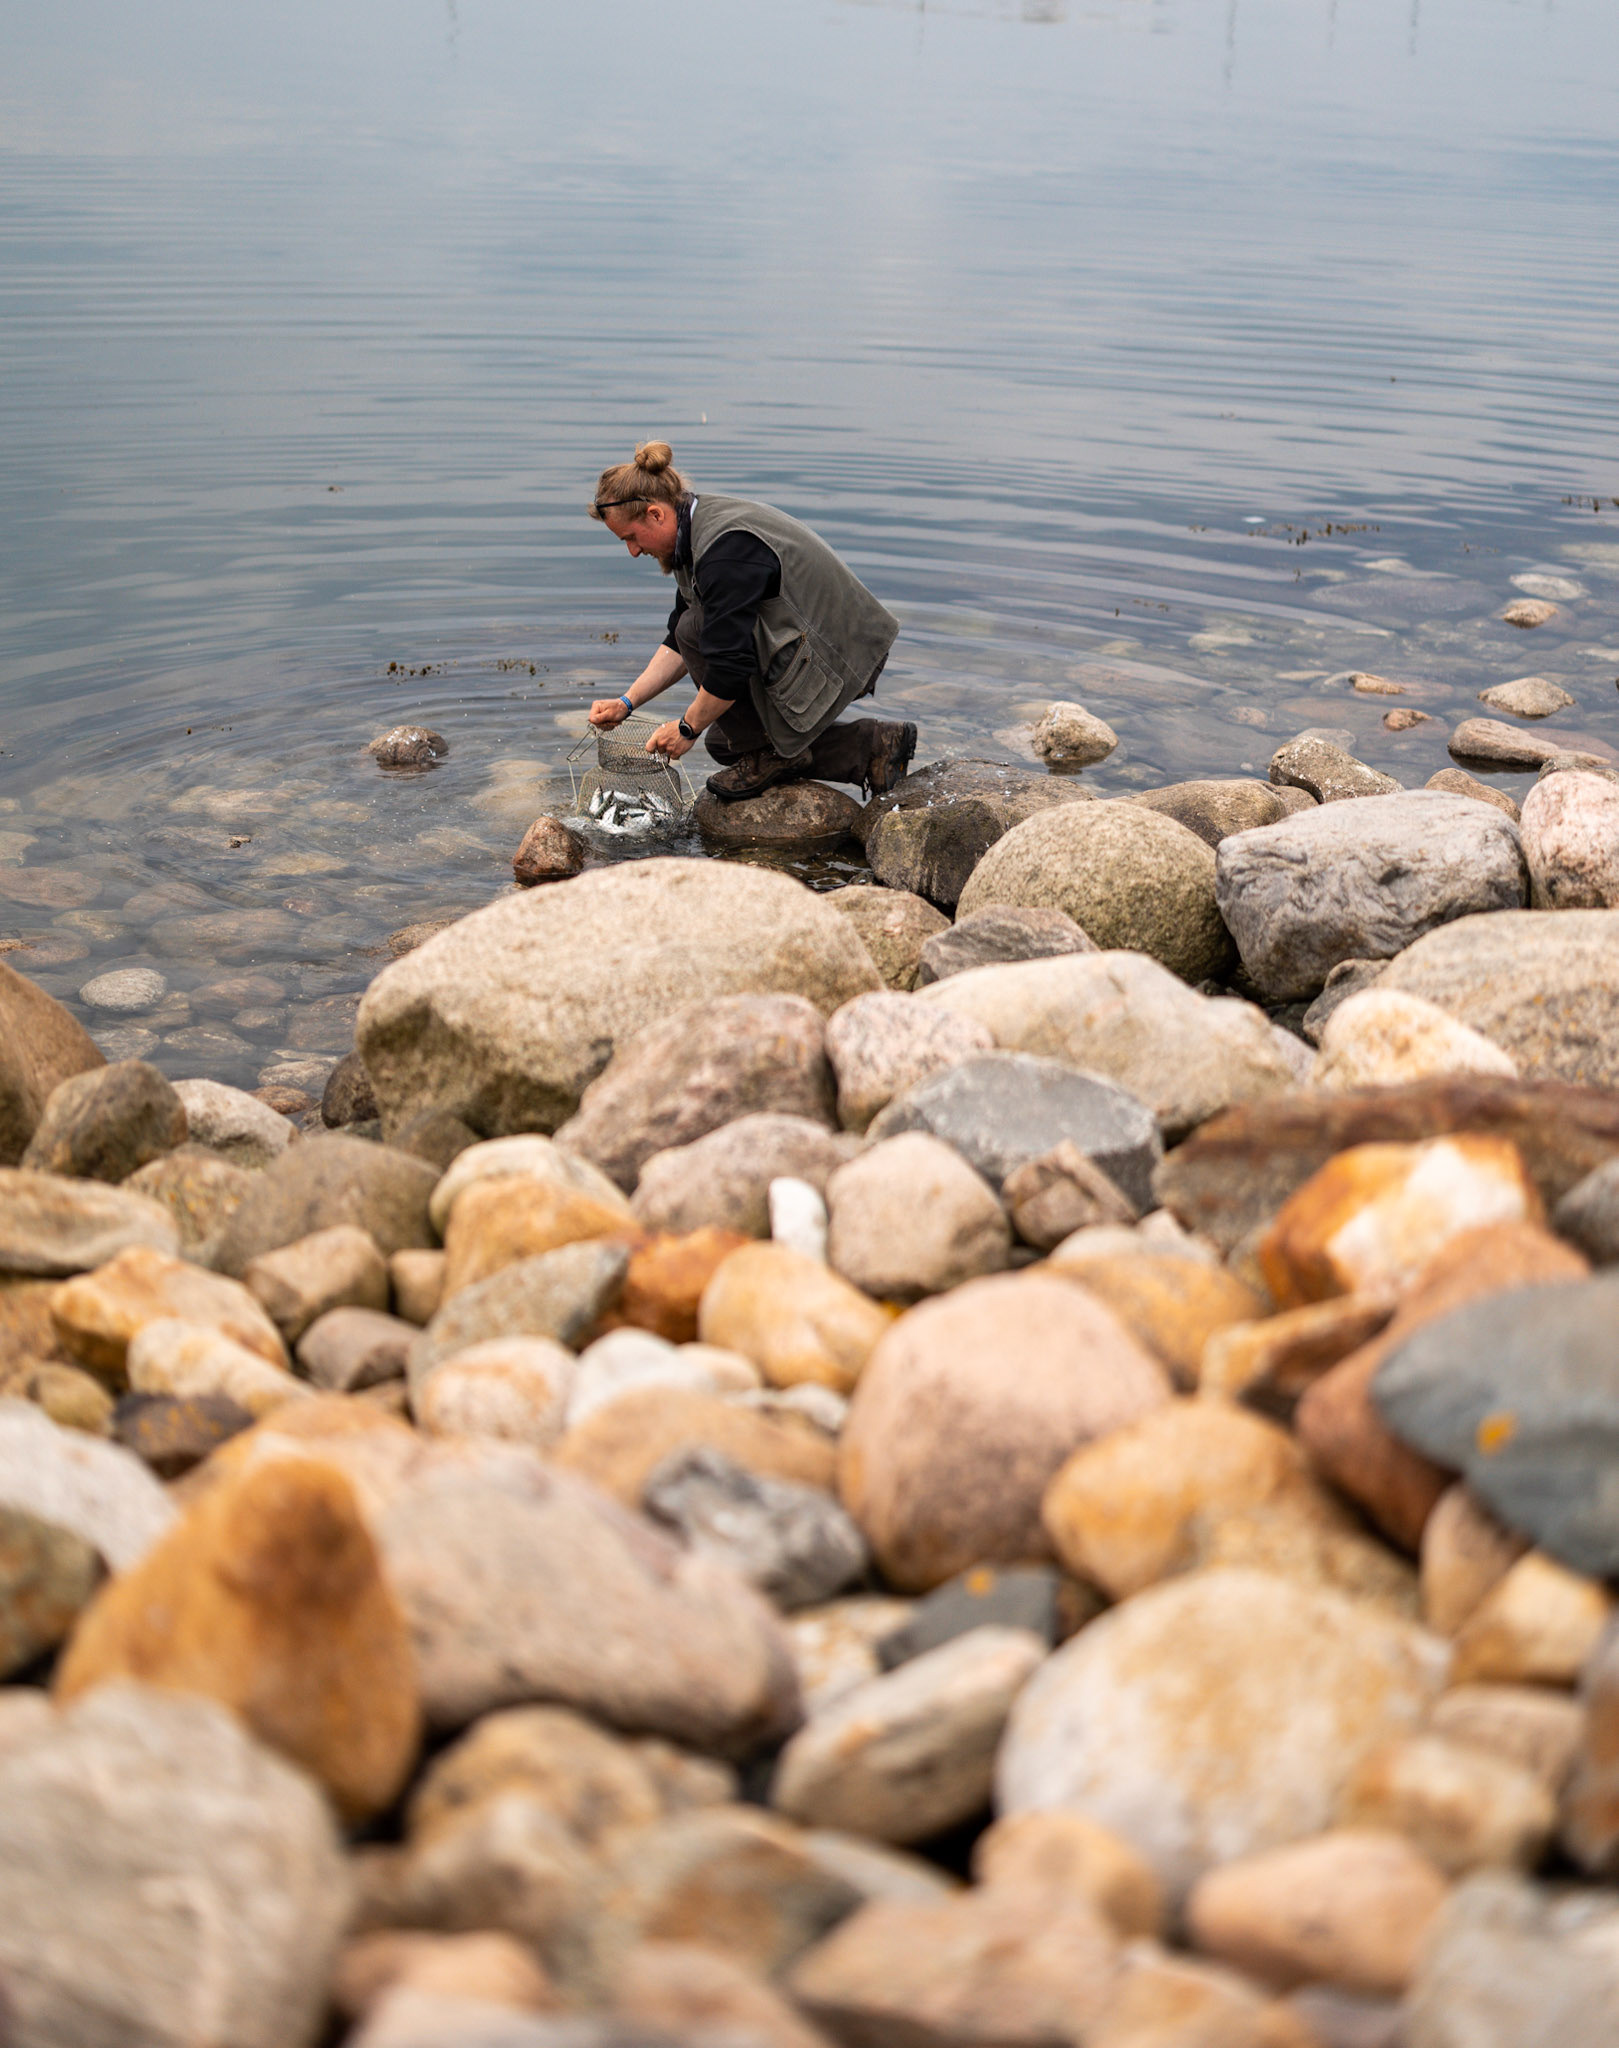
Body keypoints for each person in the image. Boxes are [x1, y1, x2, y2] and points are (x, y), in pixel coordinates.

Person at [586, 442, 917, 801]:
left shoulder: (724, 551)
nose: (633, 551)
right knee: (723, 743)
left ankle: (766, 754)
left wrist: (685, 728)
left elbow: (727, 664)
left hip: (847, 655)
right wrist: (627, 703)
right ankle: (872, 746)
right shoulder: (692, 535)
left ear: (655, 515)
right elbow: (676, 644)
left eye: (631, 538)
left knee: (709, 665)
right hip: (821, 647)